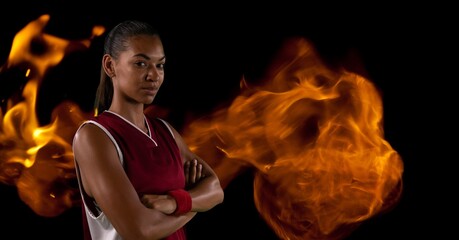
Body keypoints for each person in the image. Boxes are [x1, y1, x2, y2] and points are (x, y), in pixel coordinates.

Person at [72, 19, 224, 240]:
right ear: (110, 66)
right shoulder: (94, 136)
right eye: (140, 64)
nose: (154, 75)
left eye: (159, 65)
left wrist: (172, 202)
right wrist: (194, 203)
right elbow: (140, 230)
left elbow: (216, 190)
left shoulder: (166, 132)